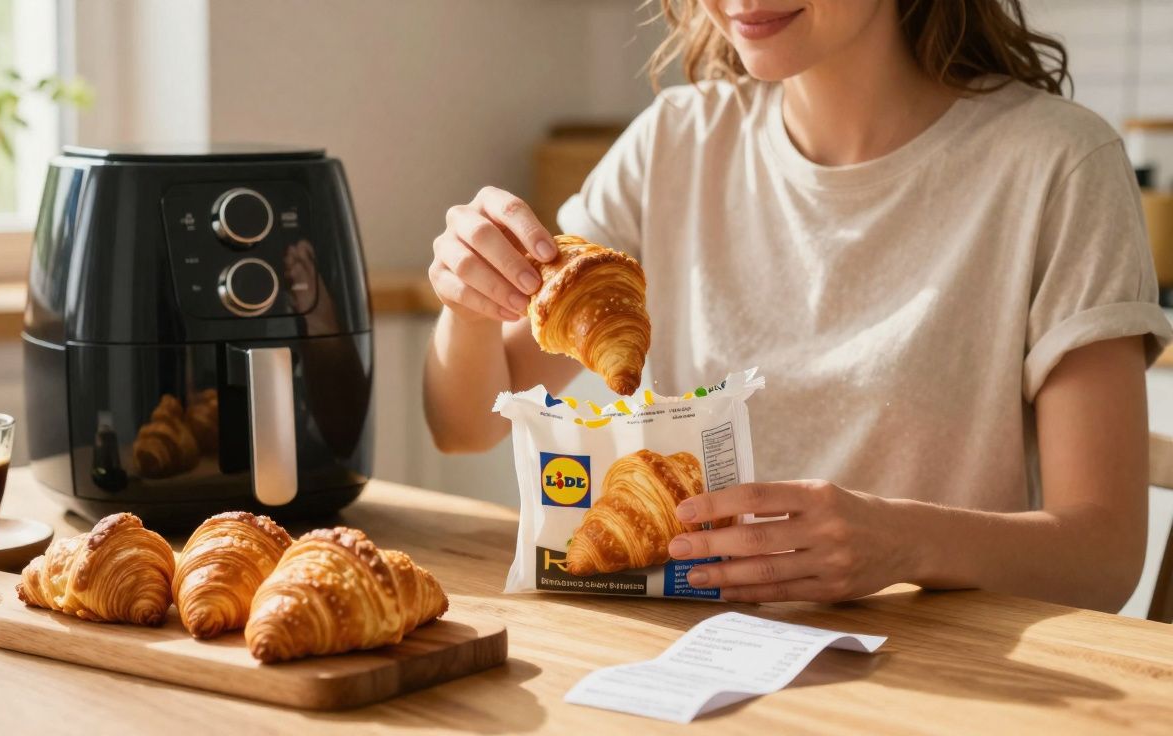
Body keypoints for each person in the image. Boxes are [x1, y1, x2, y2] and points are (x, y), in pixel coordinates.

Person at [422, 0, 1171, 613]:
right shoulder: (674, 143)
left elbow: (1102, 557)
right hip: (698, 667)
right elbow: (462, 426)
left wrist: (904, 543)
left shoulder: (1059, 165)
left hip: (944, 687)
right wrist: (470, 304)